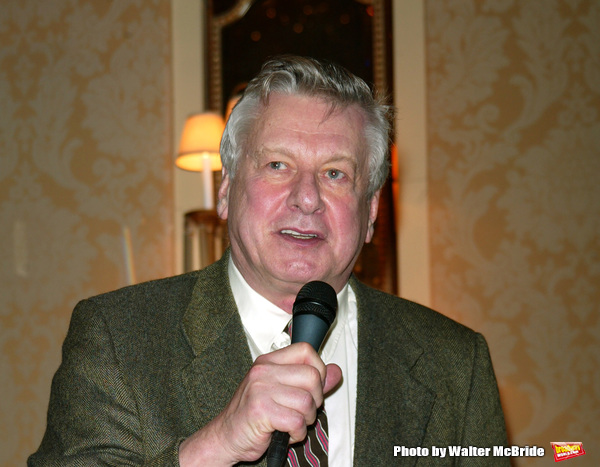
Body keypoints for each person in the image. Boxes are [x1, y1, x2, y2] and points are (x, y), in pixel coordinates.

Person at [29, 55, 508, 466]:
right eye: (277, 165)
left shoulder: (455, 364)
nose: (306, 198)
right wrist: (214, 446)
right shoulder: (117, 337)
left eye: (336, 174)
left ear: (372, 213)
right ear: (225, 191)